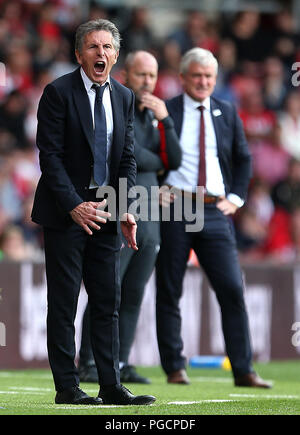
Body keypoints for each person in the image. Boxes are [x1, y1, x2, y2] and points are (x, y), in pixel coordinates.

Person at [31, 18, 156, 406]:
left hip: (106, 212)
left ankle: (110, 384)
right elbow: (49, 157)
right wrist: (74, 206)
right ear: (78, 54)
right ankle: (67, 387)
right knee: (65, 302)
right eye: (93, 47)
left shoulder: (123, 96)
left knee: (108, 301)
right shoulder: (57, 92)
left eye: (107, 48)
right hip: (66, 212)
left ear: (116, 55)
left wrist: (124, 209)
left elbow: (128, 160)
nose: (100, 54)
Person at [155, 47, 272, 388]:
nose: (203, 81)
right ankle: (175, 367)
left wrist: (236, 198)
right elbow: (150, 152)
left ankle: (244, 370)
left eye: (208, 76)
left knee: (232, 289)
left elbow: (243, 158)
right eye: (196, 75)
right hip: (176, 207)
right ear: (183, 78)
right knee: (170, 288)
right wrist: (158, 187)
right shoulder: (169, 110)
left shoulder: (227, 111)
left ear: (215, 79)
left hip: (215, 209)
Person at [79, 50, 182, 384]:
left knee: (134, 291)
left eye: (152, 75)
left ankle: (119, 362)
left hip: (151, 211)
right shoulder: (118, 105)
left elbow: (175, 160)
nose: (148, 82)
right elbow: (128, 152)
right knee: (108, 286)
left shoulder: (153, 114)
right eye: (141, 75)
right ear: (126, 74)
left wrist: (166, 120)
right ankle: (90, 361)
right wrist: (160, 160)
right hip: (122, 204)